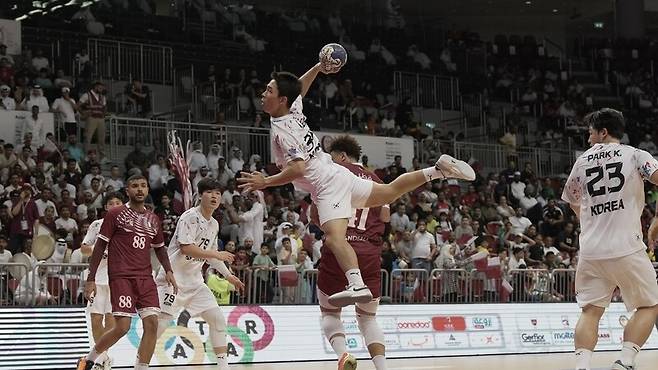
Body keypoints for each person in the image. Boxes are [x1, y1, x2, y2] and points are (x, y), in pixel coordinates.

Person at [238, 61, 475, 307]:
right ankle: (438, 170)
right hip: (335, 174)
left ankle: (356, 285)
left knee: (334, 238)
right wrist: (318, 67)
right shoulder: (291, 111)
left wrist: (265, 181)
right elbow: (300, 87)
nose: (263, 94)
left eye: (268, 90)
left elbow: (298, 167)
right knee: (388, 193)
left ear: (282, 99)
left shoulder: (283, 131)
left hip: (327, 184)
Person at [561, 108, 658, 370]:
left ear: (604, 132)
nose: (589, 138)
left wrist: (594, 223)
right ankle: (625, 362)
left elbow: (572, 201)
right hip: (626, 247)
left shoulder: (582, 161)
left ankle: (582, 366)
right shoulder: (636, 155)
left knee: (590, 311)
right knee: (650, 304)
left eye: (591, 132)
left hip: (591, 250)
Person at [77, 175, 178, 370]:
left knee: (152, 324)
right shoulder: (115, 214)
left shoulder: (153, 219)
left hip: (145, 279)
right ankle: (88, 359)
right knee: (122, 327)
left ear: (148, 190)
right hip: (121, 277)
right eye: (134, 186)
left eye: (143, 186)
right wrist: (90, 279)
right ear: (127, 191)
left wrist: (169, 270)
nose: (139, 189)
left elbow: (159, 248)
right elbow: (98, 247)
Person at [313, 135, 391, 370]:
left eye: (334, 157)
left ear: (342, 156)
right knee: (368, 318)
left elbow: (315, 218)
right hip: (369, 253)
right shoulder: (377, 180)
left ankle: (343, 354)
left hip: (340, 249)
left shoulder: (333, 174)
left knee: (329, 313)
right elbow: (385, 217)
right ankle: (382, 368)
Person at [154, 178, 244, 370]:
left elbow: (211, 257)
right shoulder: (189, 216)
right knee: (161, 325)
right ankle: (141, 362)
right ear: (200, 195)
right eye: (210, 192)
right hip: (173, 280)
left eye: (218, 193)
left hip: (195, 282)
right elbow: (187, 248)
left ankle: (223, 367)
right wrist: (215, 253)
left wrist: (228, 276)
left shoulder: (214, 224)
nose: (214, 196)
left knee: (218, 320)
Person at [79, 192, 125, 370]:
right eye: (111, 203)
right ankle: (102, 357)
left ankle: (101, 358)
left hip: (117, 280)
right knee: (96, 320)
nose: (114, 205)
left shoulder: (128, 228)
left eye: (118, 203)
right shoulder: (97, 225)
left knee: (111, 321)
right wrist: (99, 249)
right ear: (106, 207)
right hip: (96, 279)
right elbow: (84, 249)